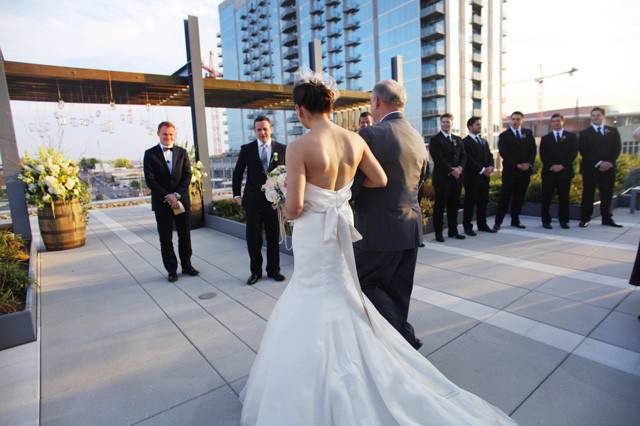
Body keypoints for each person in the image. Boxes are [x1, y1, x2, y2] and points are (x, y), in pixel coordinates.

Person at [239, 73, 517, 426]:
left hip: (314, 233)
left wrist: (287, 197)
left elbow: (293, 208)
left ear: (299, 110)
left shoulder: (299, 147)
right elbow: (379, 179)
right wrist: (339, 197)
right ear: (330, 104)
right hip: (342, 226)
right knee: (344, 293)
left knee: (310, 297)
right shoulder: (354, 140)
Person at [355, 80, 428, 348]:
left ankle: (404, 338)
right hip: (410, 226)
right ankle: (400, 344)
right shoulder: (417, 136)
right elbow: (421, 182)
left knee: (362, 282)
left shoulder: (371, 135)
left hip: (377, 230)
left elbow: (353, 185)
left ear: (376, 101)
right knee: (399, 292)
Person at [232, 116, 287, 285]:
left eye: (265, 129)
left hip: (273, 201)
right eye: (258, 130)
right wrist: (236, 195)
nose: (262, 132)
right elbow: (237, 173)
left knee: (273, 236)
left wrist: (286, 196)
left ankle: (273, 270)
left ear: (270, 129)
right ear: (255, 131)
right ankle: (255, 272)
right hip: (252, 201)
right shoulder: (247, 149)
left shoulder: (283, 148)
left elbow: (289, 173)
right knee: (254, 238)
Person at [143, 121, 199, 282]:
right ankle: (172, 270)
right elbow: (150, 180)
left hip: (181, 201)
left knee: (185, 235)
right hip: (162, 203)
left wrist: (177, 195)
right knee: (165, 238)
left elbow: (187, 175)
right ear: (158, 134)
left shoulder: (182, 152)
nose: (168, 137)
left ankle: (187, 265)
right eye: (165, 134)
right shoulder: (150, 154)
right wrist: (168, 196)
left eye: (171, 134)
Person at [578, 107, 623, 228]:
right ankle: (585, 218)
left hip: (609, 168)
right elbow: (584, 151)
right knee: (588, 194)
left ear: (603, 116)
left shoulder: (613, 130)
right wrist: (599, 163)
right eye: (593, 115)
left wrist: (608, 162)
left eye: (598, 115)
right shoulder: (584, 133)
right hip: (590, 169)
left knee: (607, 194)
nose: (595, 117)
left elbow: (617, 148)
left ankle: (607, 218)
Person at [493, 111, 536, 231]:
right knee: (505, 198)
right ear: (511, 120)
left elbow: (533, 150)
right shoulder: (504, 135)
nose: (515, 121)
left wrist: (529, 164)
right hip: (510, 172)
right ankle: (498, 222)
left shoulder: (528, 133)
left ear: (522, 120)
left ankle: (515, 220)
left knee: (519, 197)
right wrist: (517, 164)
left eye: (518, 119)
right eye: (513, 119)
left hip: (525, 172)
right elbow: (504, 153)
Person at [429, 113, 466, 242]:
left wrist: (460, 168)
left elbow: (464, 156)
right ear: (441, 123)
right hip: (442, 179)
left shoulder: (458, 139)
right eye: (444, 122)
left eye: (448, 122)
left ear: (452, 123)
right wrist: (452, 170)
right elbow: (438, 159)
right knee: (440, 207)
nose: (446, 124)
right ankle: (438, 233)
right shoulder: (435, 140)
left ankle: (453, 231)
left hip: (456, 179)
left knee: (454, 206)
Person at [539, 113, 578, 229]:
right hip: (549, 173)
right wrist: (552, 165)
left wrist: (562, 165)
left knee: (564, 198)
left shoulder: (571, 137)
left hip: (565, 172)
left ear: (563, 121)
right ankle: (546, 221)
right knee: (546, 198)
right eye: (554, 121)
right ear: (551, 123)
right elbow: (543, 154)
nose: (556, 123)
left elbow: (573, 153)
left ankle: (564, 221)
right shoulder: (545, 138)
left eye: (558, 121)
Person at [462, 116, 496, 235]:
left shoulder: (483, 141)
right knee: (470, 203)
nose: (480, 126)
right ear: (470, 127)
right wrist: (482, 169)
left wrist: (491, 167)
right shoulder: (464, 142)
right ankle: (467, 227)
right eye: (477, 124)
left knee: (483, 202)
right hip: (471, 178)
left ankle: (482, 224)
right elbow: (468, 159)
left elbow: (490, 156)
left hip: (485, 178)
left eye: (480, 124)